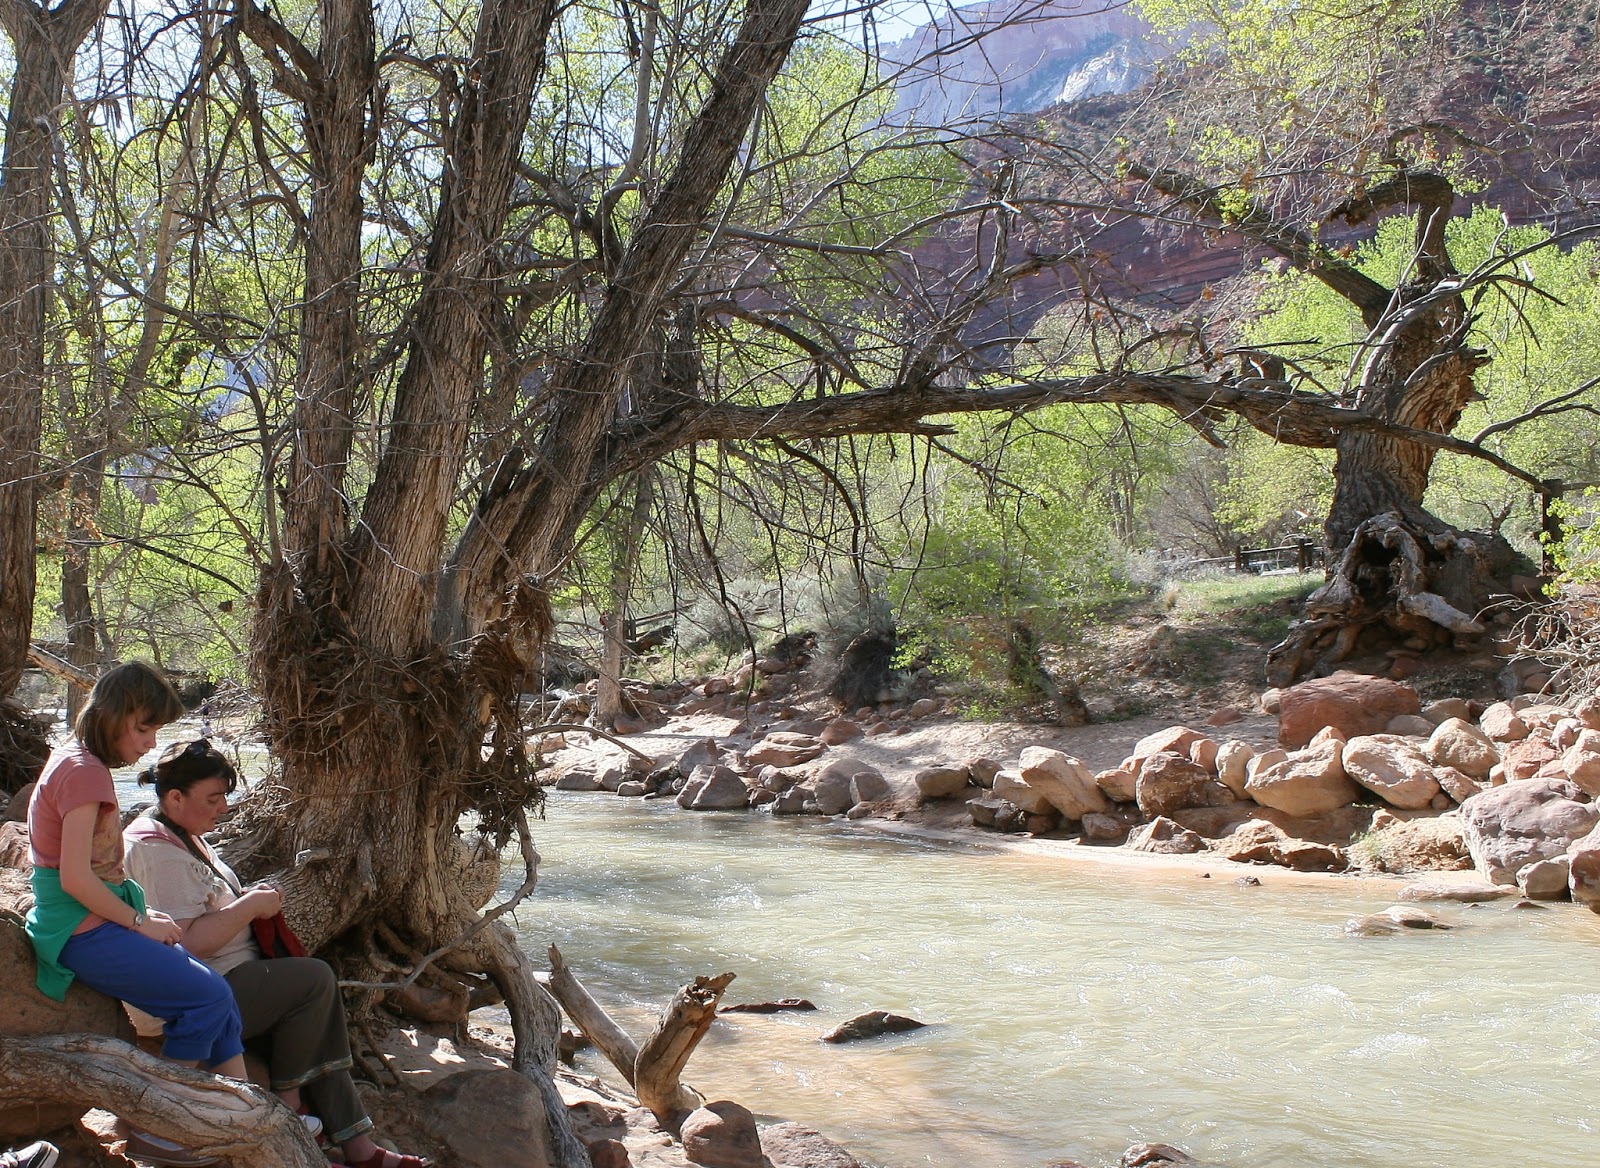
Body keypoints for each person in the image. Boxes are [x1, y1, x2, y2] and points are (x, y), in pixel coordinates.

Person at [125, 738, 429, 1168]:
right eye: (212, 799)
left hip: (230, 977)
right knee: (314, 979)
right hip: (196, 995)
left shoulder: (183, 834)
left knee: (318, 1016)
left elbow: (203, 904)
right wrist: (249, 907)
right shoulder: (154, 849)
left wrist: (245, 899)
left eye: (224, 798)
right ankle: (292, 1105)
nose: (223, 809)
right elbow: (188, 940)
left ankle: (357, 1146)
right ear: (174, 798)